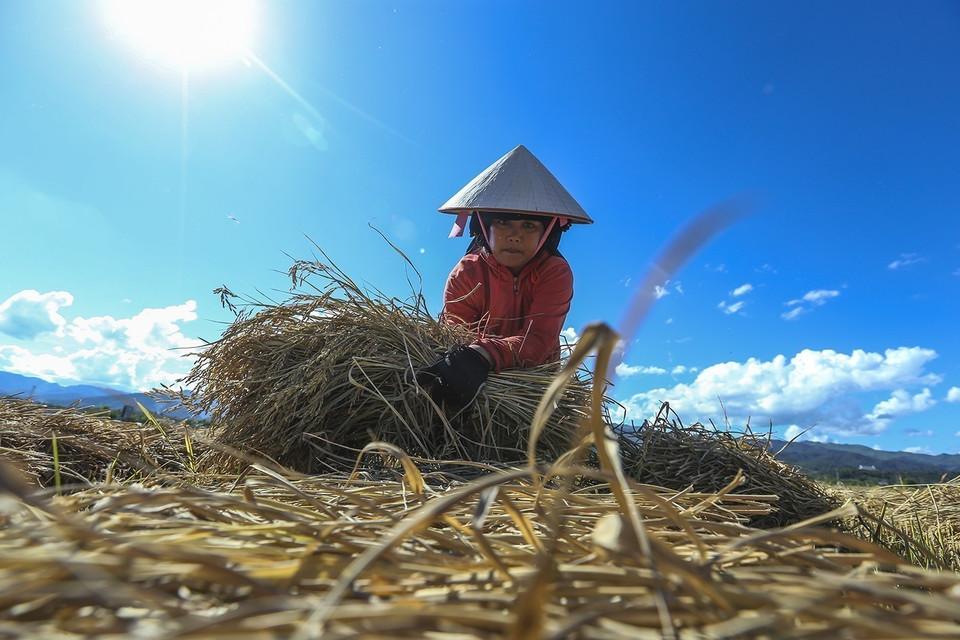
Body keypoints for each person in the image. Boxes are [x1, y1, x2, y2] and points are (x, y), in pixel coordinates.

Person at [418, 144, 593, 411]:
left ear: (547, 233)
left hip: (534, 387)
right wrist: (471, 358)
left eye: (529, 225)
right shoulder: (466, 274)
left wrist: (483, 354)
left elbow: (537, 342)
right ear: (483, 227)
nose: (514, 235)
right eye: (502, 222)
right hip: (475, 372)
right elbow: (455, 336)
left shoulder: (554, 272)